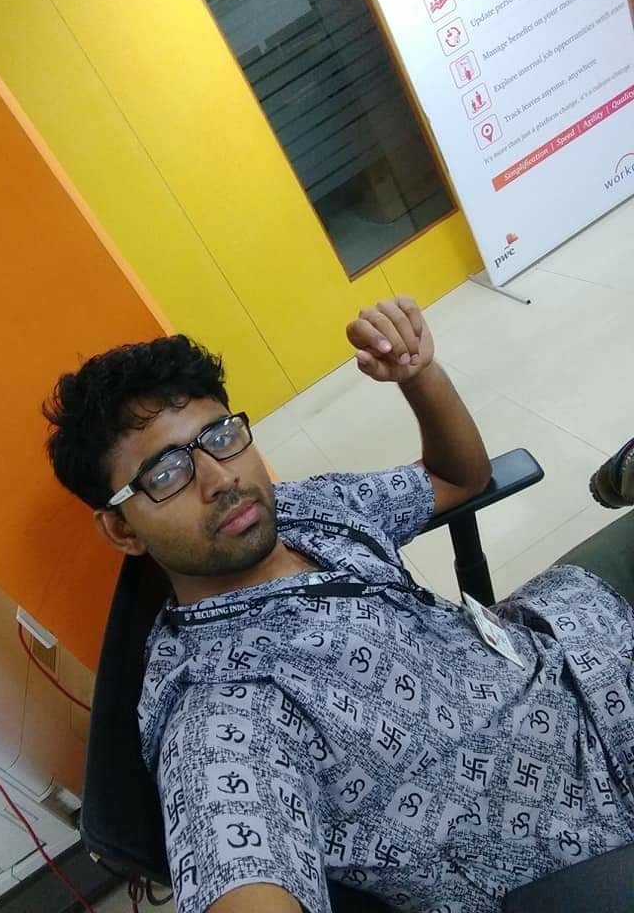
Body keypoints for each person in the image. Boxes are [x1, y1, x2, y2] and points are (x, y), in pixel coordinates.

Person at [44, 297, 634, 913]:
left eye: (220, 437)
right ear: (122, 530)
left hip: (571, 637)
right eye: (166, 475)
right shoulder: (221, 707)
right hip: (580, 830)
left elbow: (458, 477)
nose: (221, 479)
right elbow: (236, 845)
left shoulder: (306, 510)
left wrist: (419, 375)